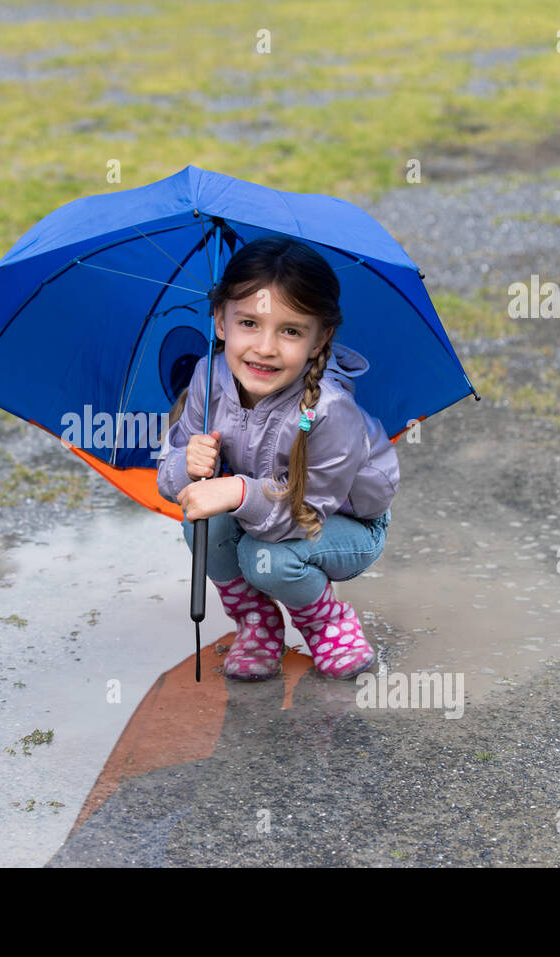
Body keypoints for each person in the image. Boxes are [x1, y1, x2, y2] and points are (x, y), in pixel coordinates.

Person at [157, 235, 400, 681]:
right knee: (201, 529)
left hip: (342, 523)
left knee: (265, 557)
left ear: (319, 337)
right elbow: (172, 476)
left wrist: (237, 489)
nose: (265, 347)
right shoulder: (208, 379)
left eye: (290, 330)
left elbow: (305, 512)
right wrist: (185, 466)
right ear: (220, 321)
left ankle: (327, 624)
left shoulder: (328, 410)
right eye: (249, 322)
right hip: (264, 509)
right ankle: (257, 624)